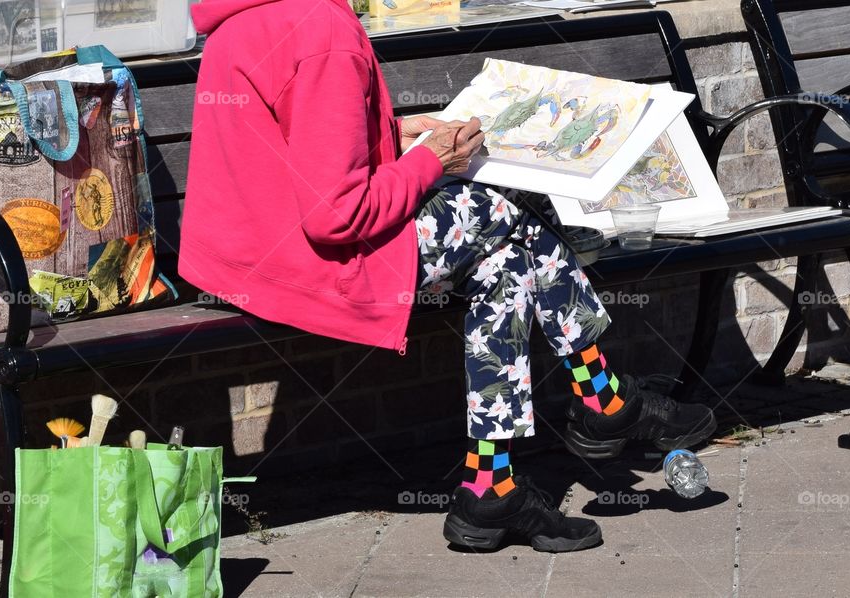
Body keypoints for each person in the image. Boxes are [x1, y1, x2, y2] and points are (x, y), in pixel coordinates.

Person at [181, 0, 717, 553]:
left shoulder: (249, 15)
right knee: (504, 213)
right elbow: (335, 215)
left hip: (247, 259)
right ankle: (602, 398)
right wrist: (428, 161)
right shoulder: (321, 28)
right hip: (312, 265)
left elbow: (295, 145)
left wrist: (395, 132)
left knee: (506, 266)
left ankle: (493, 488)